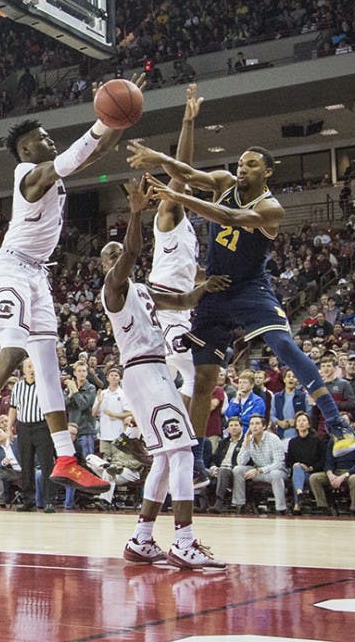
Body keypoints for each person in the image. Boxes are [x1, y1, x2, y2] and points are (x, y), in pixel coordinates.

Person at [0, 79, 149, 495]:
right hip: (12, 269)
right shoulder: (28, 174)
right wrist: (100, 119)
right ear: (26, 150)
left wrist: (120, 119)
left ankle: (66, 457)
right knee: (14, 349)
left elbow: (98, 150)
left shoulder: (51, 169)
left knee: (49, 366)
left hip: (38, 274)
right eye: (41, 137)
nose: (49, 140)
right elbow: (74, 157)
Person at [129, 137, 355, 459]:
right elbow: (186, 172)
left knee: (284, 347)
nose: (242, 169)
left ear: (267, 171)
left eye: (251, 165)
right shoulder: (224, 182)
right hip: (216, 289)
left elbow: (230, 218)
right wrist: (157, 157)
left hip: (251, 288)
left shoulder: (270, 208)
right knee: (203, 378)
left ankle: (337, 424)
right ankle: (194, 459)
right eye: (240, 163)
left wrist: (177, 195)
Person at [101, 177, 228, 569]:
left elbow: (184, 298)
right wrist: (137, 213)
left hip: (155, 374)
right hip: (144, 372)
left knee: (164, 457)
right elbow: (135, 250)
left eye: (119, 253)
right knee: (184, 452)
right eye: (113, 255)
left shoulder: (143, 291)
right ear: (107, 265)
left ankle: (141, 540)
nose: (120, 255)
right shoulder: (114, 288)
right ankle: (184, 541)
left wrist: (208, 287)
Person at [149, 85, 204, 481]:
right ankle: (189, 454)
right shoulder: (168, 213)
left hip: (181, 306)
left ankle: (174, 450)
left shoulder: (188, 230)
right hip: (167, 306)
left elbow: (194, 275)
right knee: (200, 376)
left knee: (195, 378)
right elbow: (182, 171)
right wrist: (187, 122)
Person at [6, 358, 56, 512]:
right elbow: (13, 409)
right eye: (29, 366)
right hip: (24, 427)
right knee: (26, 465)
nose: (32, 369)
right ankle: (28, 500)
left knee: (47, 464)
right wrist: (9, 428)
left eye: (34, 366)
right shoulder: (18, 387)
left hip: (42, 426)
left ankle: (49, 500)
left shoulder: (44, 385)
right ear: (23, 370)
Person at [230, 414, 288, 515]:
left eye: (257, 424)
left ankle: (280, 509)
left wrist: (259, 470)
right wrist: (246, 443)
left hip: (276, 471)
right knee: (238, 469)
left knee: (276, 474)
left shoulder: (273, 439)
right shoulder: (249, 439)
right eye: (251, 424)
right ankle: (240, 505)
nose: (254, 426)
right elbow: (240, 462)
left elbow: (279, 463)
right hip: (258, 472)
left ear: (264, 427)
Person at [285, 411, 325, 515]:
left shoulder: (317, 440)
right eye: (299, 421)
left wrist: (309, 468)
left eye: (304, 420)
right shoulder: (292, 442)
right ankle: (299, 494)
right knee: (297, 469)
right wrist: (295, 465)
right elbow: (289, 461)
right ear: (296, 425)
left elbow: (322, 460)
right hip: (298, 472)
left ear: (309, 424)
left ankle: (297, 503)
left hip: (312, 472)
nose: (301, 423)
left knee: (298, 473)